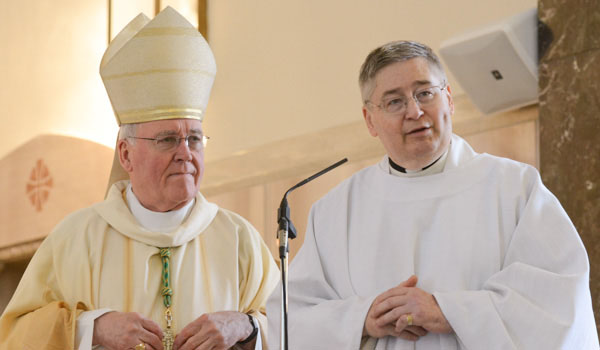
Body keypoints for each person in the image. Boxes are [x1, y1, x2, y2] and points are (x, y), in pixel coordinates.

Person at [266, 40, 599, 349]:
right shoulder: (337, 211)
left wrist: (448, 311)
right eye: (394, 101)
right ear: (370, 120)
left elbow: (558, 304)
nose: (414, 111)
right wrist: (362, 319)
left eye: (425, 93)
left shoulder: (515, 189)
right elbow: (289, 320)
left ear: (449, 99)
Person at [0, 7, 279, 350]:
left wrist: (246, 326)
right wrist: (92, 328)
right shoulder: (76, 240)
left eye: (194, 138)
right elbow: (14, 334)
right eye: (167, 139)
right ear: (126, 154)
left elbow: (298, 327)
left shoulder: (239, 241)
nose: (185, 153)